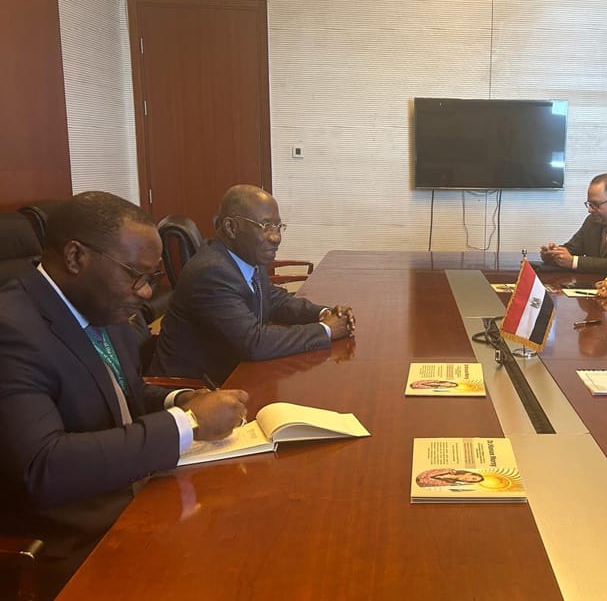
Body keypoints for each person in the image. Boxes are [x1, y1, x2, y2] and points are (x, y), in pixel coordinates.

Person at [0, 192, 248, 598]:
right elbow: (44, 467)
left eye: (152, 278)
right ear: (76, 257)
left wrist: (178, 401)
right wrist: (189, 424)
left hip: (136, 495)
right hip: (73, 541)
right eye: (135, 274)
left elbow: (118, 391)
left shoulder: (101, 306)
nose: (146, 292)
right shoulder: (11, 329)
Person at [152, 185, 355, 383]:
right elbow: (253, 342)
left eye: (278, 226)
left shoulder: (244, 257)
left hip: (235, 372)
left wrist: (323, 313)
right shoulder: (211, 271)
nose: (276, 237)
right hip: (197, 388)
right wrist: (325, 330)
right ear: (231, 228)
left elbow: (274, 299)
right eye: (266, 226)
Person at [539, 173, 607, 274]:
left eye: (596, 204)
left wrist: (573, 262)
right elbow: (573, 248)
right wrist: (553, 253)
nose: (590, 210)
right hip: (588, 283)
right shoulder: (592, 220)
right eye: (589, 204)